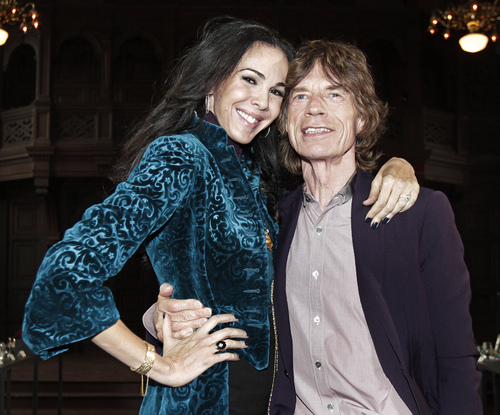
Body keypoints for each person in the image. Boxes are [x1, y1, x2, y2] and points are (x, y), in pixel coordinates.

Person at [23, 16, 417, 415]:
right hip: (201, 400)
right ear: (212, 82)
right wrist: (155, 364)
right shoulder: (180, 155)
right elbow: (64, 275)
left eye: (276, 91)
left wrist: (397, 166)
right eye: (249, 80)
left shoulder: (253, 176)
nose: (262, 102)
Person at [268, 40, 482, 414]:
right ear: (286, 121)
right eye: (300, 96)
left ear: (362, 119)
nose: (314, 107)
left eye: (335, 94)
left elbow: (455, 355)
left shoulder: (418, 214)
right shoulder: (273, 220)